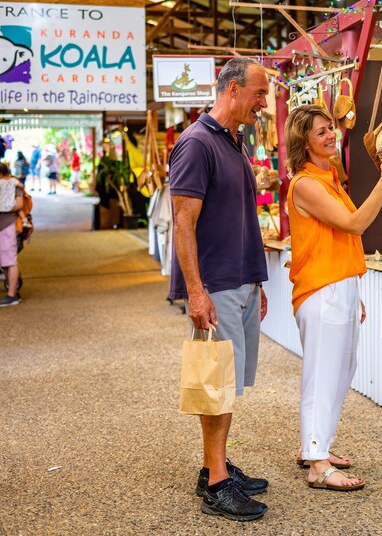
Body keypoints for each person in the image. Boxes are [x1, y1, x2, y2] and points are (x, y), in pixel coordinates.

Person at [168, 56, 271, 523]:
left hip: (241, 280)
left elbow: (239, 217)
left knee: (228, 384)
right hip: (216, 285)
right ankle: (215, 484)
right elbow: (182, 223)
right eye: (259, 93)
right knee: (216, 386)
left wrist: (257, 280)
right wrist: (196, 291)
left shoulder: (233, 141)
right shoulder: (195, 144)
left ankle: (216, 464)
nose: (264, 103)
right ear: (232, 89)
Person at [284, 105, 382, 491]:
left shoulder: (327, 178)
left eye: (330, 128)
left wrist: (353, 291)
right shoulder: (305, 184)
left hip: (339, 288)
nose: (331, 134)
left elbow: (340, 239)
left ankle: (318, 446)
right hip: (323, 290)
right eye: (321, 132)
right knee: (322, 374)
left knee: (341, 370)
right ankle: (317, 462)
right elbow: (353, 224)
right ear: (304, 142)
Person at [0, 162, 24, 308]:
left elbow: (19, 205)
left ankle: (12, 295)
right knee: (3, 261)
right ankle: (11, 290)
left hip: (7, 224)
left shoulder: (12, 184)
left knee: (10, 260)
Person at [0, 162, 20, 233]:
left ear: (0, 174)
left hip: (0, 207)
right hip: (11, 205)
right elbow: (21, 186)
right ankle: (25, 220)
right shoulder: (13, 180)